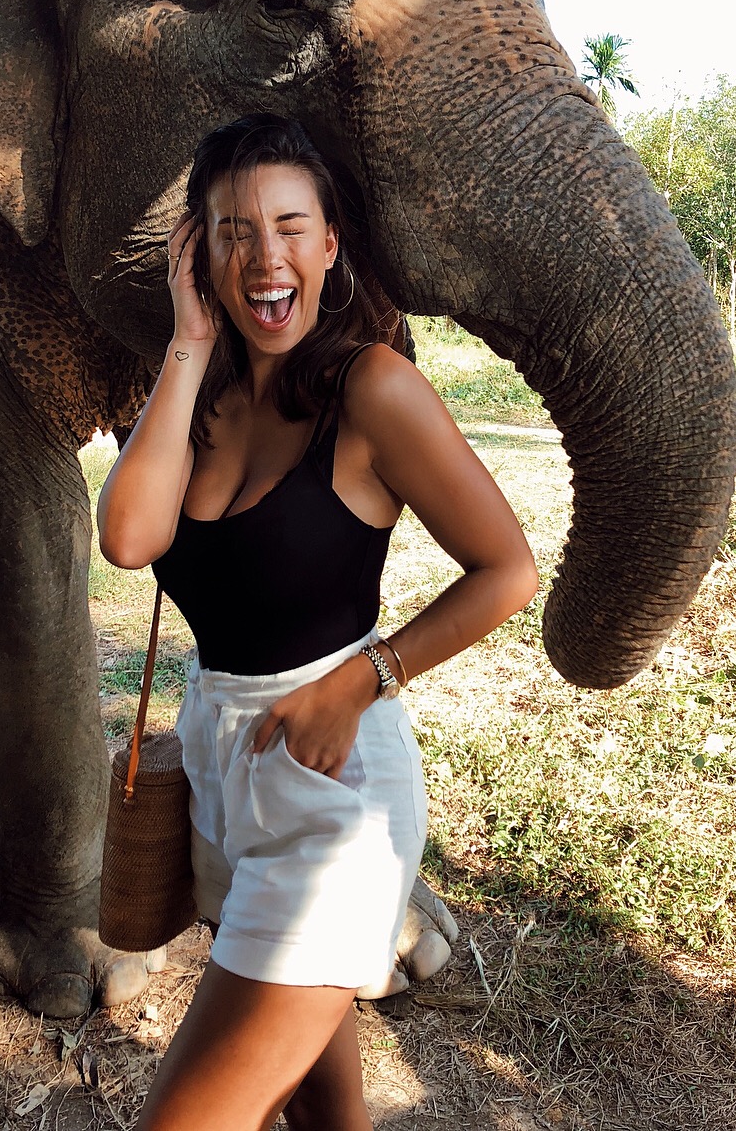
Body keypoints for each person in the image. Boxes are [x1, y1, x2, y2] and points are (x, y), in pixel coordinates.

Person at [96, 114, 537, 1131]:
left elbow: (507, 569)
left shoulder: (372, 388)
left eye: (291, 227)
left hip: (335, 789)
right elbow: (126, 538)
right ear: (198, 254)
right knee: (323, 1113)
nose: (266, 257)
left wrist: (365, 676)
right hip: (222, 771)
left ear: (329, 245)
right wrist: (187, 343)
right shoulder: (198, 392)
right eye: (233, 232)